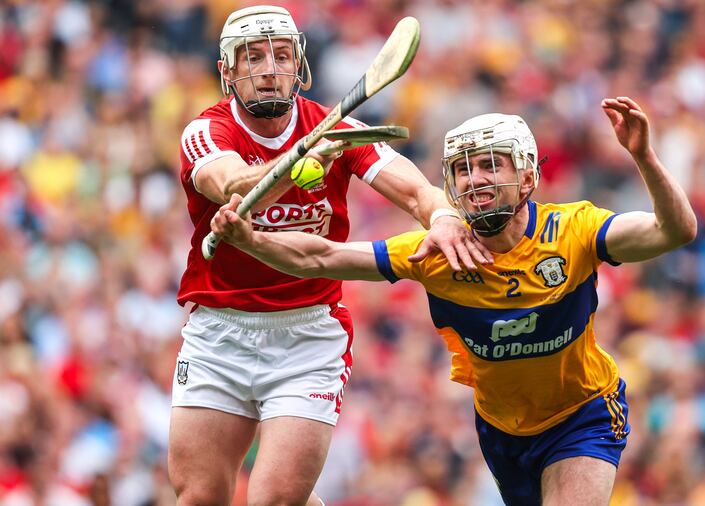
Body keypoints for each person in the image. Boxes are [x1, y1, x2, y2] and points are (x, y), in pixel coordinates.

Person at [209, 97, 697, 505]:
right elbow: (321, 257)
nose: (475, 179)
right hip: (501, 430)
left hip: (583, 414)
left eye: (490, 165)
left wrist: (644, 157)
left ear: (526, 177)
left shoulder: (575, 231)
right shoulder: (436, 254)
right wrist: (250, 239)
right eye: (463, 170)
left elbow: (673, 231)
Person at [171, 6, 490, 506]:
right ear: (226, 71)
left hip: (307, 335)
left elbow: (414, 191)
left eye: (280, 55)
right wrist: (296, 161)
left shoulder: (334, 130)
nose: (268, 68)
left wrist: (443, 216)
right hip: (219, 332)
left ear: (298, 64)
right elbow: (230, 183)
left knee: (273, 500)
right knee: (198, 496)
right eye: (252, 57)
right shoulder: (206, 133)